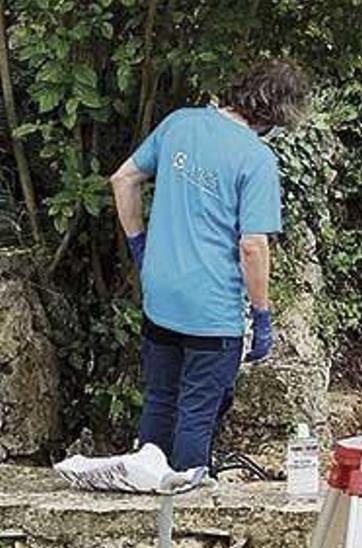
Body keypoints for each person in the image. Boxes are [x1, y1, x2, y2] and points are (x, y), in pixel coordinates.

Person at [109, 59, 309, 471]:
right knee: (198, 410)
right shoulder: (256, 159)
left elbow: (123, 179)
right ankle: (185, 513)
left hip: (159, 294)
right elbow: (253, 245)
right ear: (276, 113)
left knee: (161, 399)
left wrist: (138, 244)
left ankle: (147, 497)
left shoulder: (179, 123)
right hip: (211, 310)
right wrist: (262, 314)